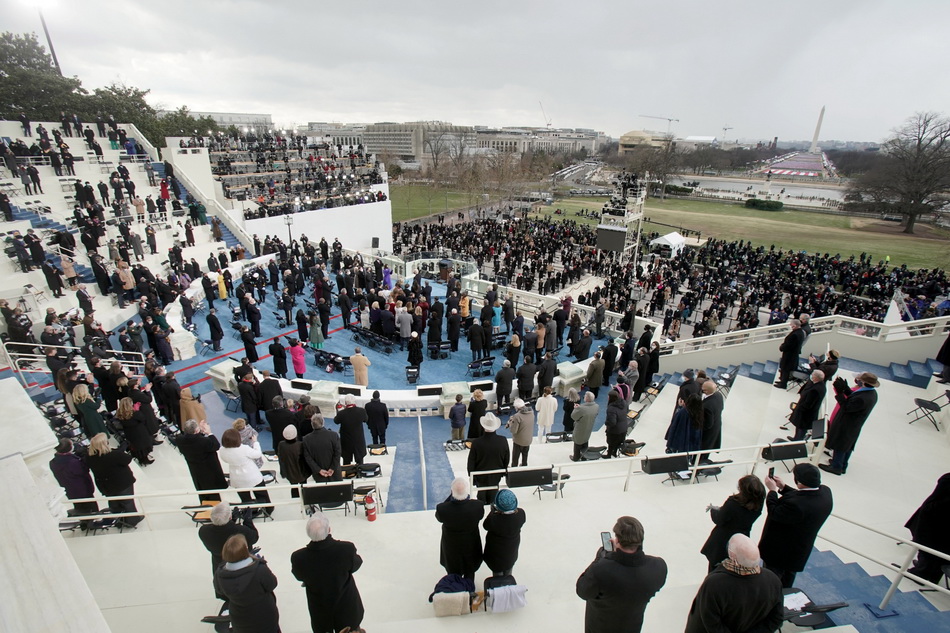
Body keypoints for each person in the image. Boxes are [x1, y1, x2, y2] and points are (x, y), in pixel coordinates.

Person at [576, 516, 667, 633]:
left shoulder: (601, 570)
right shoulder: (658, 567)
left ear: (617, 541)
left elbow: (582, 591)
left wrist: (600, 558)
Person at [685, 534, 784, 633]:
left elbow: (711, 621)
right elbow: (776, 618)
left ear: (732, 556)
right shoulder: (773, 581)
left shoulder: (715, 584)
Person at [759, 463, 834, 587]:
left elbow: (775, 512)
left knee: (771, 581)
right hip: (799, 551)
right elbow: (805, 496)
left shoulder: (796, 506)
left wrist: (772, 491)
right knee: (788, 578)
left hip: (779, 552)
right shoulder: (825, 493)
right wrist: (783, 487)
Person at [291, 512, 365, 633]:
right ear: (329, 530)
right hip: (348, 612)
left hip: (321, 616)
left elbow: (299, 576)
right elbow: (356, 564)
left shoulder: (299, 557)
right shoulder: (346, 549)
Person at [214, 534, 280, 633]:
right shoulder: (259, 570)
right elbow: (272, 584)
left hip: (238, 615)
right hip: (263, 613)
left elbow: (219, 590)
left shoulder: (220, 573)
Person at [700, 475, 766, 572]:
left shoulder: (733, 503)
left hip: (723, 540)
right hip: (742, 538)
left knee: (714, 569)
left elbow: (719, 519)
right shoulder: (758, 504)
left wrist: (714, 511)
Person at [821, 371, 879, 476]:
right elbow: (853, 398)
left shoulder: (863, 398)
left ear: (864, 382)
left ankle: (836, 467)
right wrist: (846, 389)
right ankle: (842, 464)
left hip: (848, 424)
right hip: (853, 425)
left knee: (841, 444)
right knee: (847, 445)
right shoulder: (870, 393)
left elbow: (847, 407)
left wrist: (839, 393)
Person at [199, 502, 259, 601]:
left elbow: (222, 534)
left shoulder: (203, 531)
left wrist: (232, 521)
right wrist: (248, 521)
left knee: (225, 590)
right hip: (240, 566)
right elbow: (254, 537)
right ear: (229, 517)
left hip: (219, 565)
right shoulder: (239, 531)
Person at [85, 433, 143, 527]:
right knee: (127, 502)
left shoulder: (90, 458)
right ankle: (132, 520)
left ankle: (118, 521)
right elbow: (127, 459)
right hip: (122, 484)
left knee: (114, 503)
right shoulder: (113, 455)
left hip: (106, 486)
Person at [435, 478, 485, 580]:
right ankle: (470, 589)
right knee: (470, 571)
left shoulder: (443, 509)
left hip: (451, 547)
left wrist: (451, 497)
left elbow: (439, 518)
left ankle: (455, 589)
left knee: (452, 573)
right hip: (471, 545)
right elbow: (480, 516)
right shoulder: (477, 506)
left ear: (452, 492)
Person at [904, 473, 950, 583]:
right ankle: (931, 574)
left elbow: (937, 499)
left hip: (936, 520)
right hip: (941, 521)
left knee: (927, 544)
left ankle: (921, 573)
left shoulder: (947, 481)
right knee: (940, 548)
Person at [220, 428, 273, 516]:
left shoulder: (222, 450)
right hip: (251, 476)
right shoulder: (243, 448)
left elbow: (224, 460)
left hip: (237, 478)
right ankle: (268, 509)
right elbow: (257, 454)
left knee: (245, 498)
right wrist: (255, 442)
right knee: (262, 494)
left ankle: (250, 512)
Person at [49, 439, 99, 529]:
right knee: (90, 508)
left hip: (70, 490)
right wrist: (83, 459)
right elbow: (83, 471)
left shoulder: (53, 462)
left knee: (79, 507)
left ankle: (84, 523)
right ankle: (92, 524)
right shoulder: (73, 462)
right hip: (83, 489)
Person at [177, 418, 229, 502]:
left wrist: (200, 432)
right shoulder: (204, 441)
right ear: (197, 430)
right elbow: (216, 445)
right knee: (213, 494)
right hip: (210, 471)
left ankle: (204, 507)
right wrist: (209, 433)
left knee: (202, 492)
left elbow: (195, 440)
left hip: (196, 471)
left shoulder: (179, 440)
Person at [467, 412, 509, 505]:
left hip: (480, 475)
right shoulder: (503, 440)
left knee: (481, 497)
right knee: (494, 496)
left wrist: (471, 475)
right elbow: (506, 458)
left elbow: (471, 461)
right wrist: (503, 471)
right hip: (496, 475)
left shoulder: (477, 443)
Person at [482, 489, 527, 576]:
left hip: (495, 556)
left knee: (497, 576)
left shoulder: (494, 519)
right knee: (508, 569)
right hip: (511, 552)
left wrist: (492, 513)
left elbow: (485, 526)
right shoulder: (521, 514)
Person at [303, 414, 342, 482]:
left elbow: (308, 458)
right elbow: (337, 453)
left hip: (319, 475)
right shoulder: (333, 435)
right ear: (323, 422)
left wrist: (318, 470)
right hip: (335, 472)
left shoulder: (306, 439)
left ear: (312, 424)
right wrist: (332, 468)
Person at [790, 369, 826, 441]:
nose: (811, 376)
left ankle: (797, 442)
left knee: (801, 429)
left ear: (816, 377)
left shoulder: (815, 390)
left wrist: (800, 409)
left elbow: (808, 404)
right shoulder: (820, 385)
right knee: (799, 428)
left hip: (805, 414)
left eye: (813, 375)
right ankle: (795, 438)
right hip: (806, 412)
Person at [276, 425, 311, 497]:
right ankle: (305, 498)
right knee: (304, 487)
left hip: (289, 472)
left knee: (294, 487)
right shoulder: (300, 445)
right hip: (301, 473)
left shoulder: (281, 445)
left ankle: (296, 501)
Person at [335, 394, 368, 465]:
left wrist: (339, 411)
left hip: (346, 440)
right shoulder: (361, 411)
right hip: (358, 439)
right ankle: (360, 473)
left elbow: (336, 421)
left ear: (345, 403)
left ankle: (347, 473)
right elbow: (366, 419)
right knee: (360, 460)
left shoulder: (342, 413)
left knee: (346, 460)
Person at [774, 319, 805, 389]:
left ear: (795, 325)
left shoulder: (795, 334)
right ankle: (782, 381)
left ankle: (783, 384)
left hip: (790, 355)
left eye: (792, 325)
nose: (791, 326)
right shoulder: (800, 332)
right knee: (784, 369)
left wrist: (782, 347)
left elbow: (789, 345)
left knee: (786, 369)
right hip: (792, 354)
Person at [570, 391, 599, 461]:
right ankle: (584, 456)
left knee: (577, 443)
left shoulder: (581, 408)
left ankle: (576, 457)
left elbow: (573, 416)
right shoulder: (596, 406)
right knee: (585, 441)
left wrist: (576, 409)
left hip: (580, 428)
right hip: (589, 426)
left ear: (587, 399)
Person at [700, 380, 725, 458]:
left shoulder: (707, 406)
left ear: (706, 391)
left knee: (702, 453)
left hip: (708, 434)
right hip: (716, 426)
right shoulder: (718, 395)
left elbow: (708, 424)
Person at [507, 398, 534, 467]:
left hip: (519, 441)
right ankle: (524, 465)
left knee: (515, 457)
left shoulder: (517, 416)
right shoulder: (531, 413)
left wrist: (510, 423)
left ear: (516, 407)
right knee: (525, 455)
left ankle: (514, 467)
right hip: (528, 439)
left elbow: (513, 430)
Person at [603, 390, 627, 458]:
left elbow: (612, 422)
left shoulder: (611, 408)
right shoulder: (624, 402)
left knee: (611, 442)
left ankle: (609, 454)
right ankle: (614, 452)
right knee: (618, 442)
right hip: (624, 427)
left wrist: (606, 423)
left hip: (615, 430)